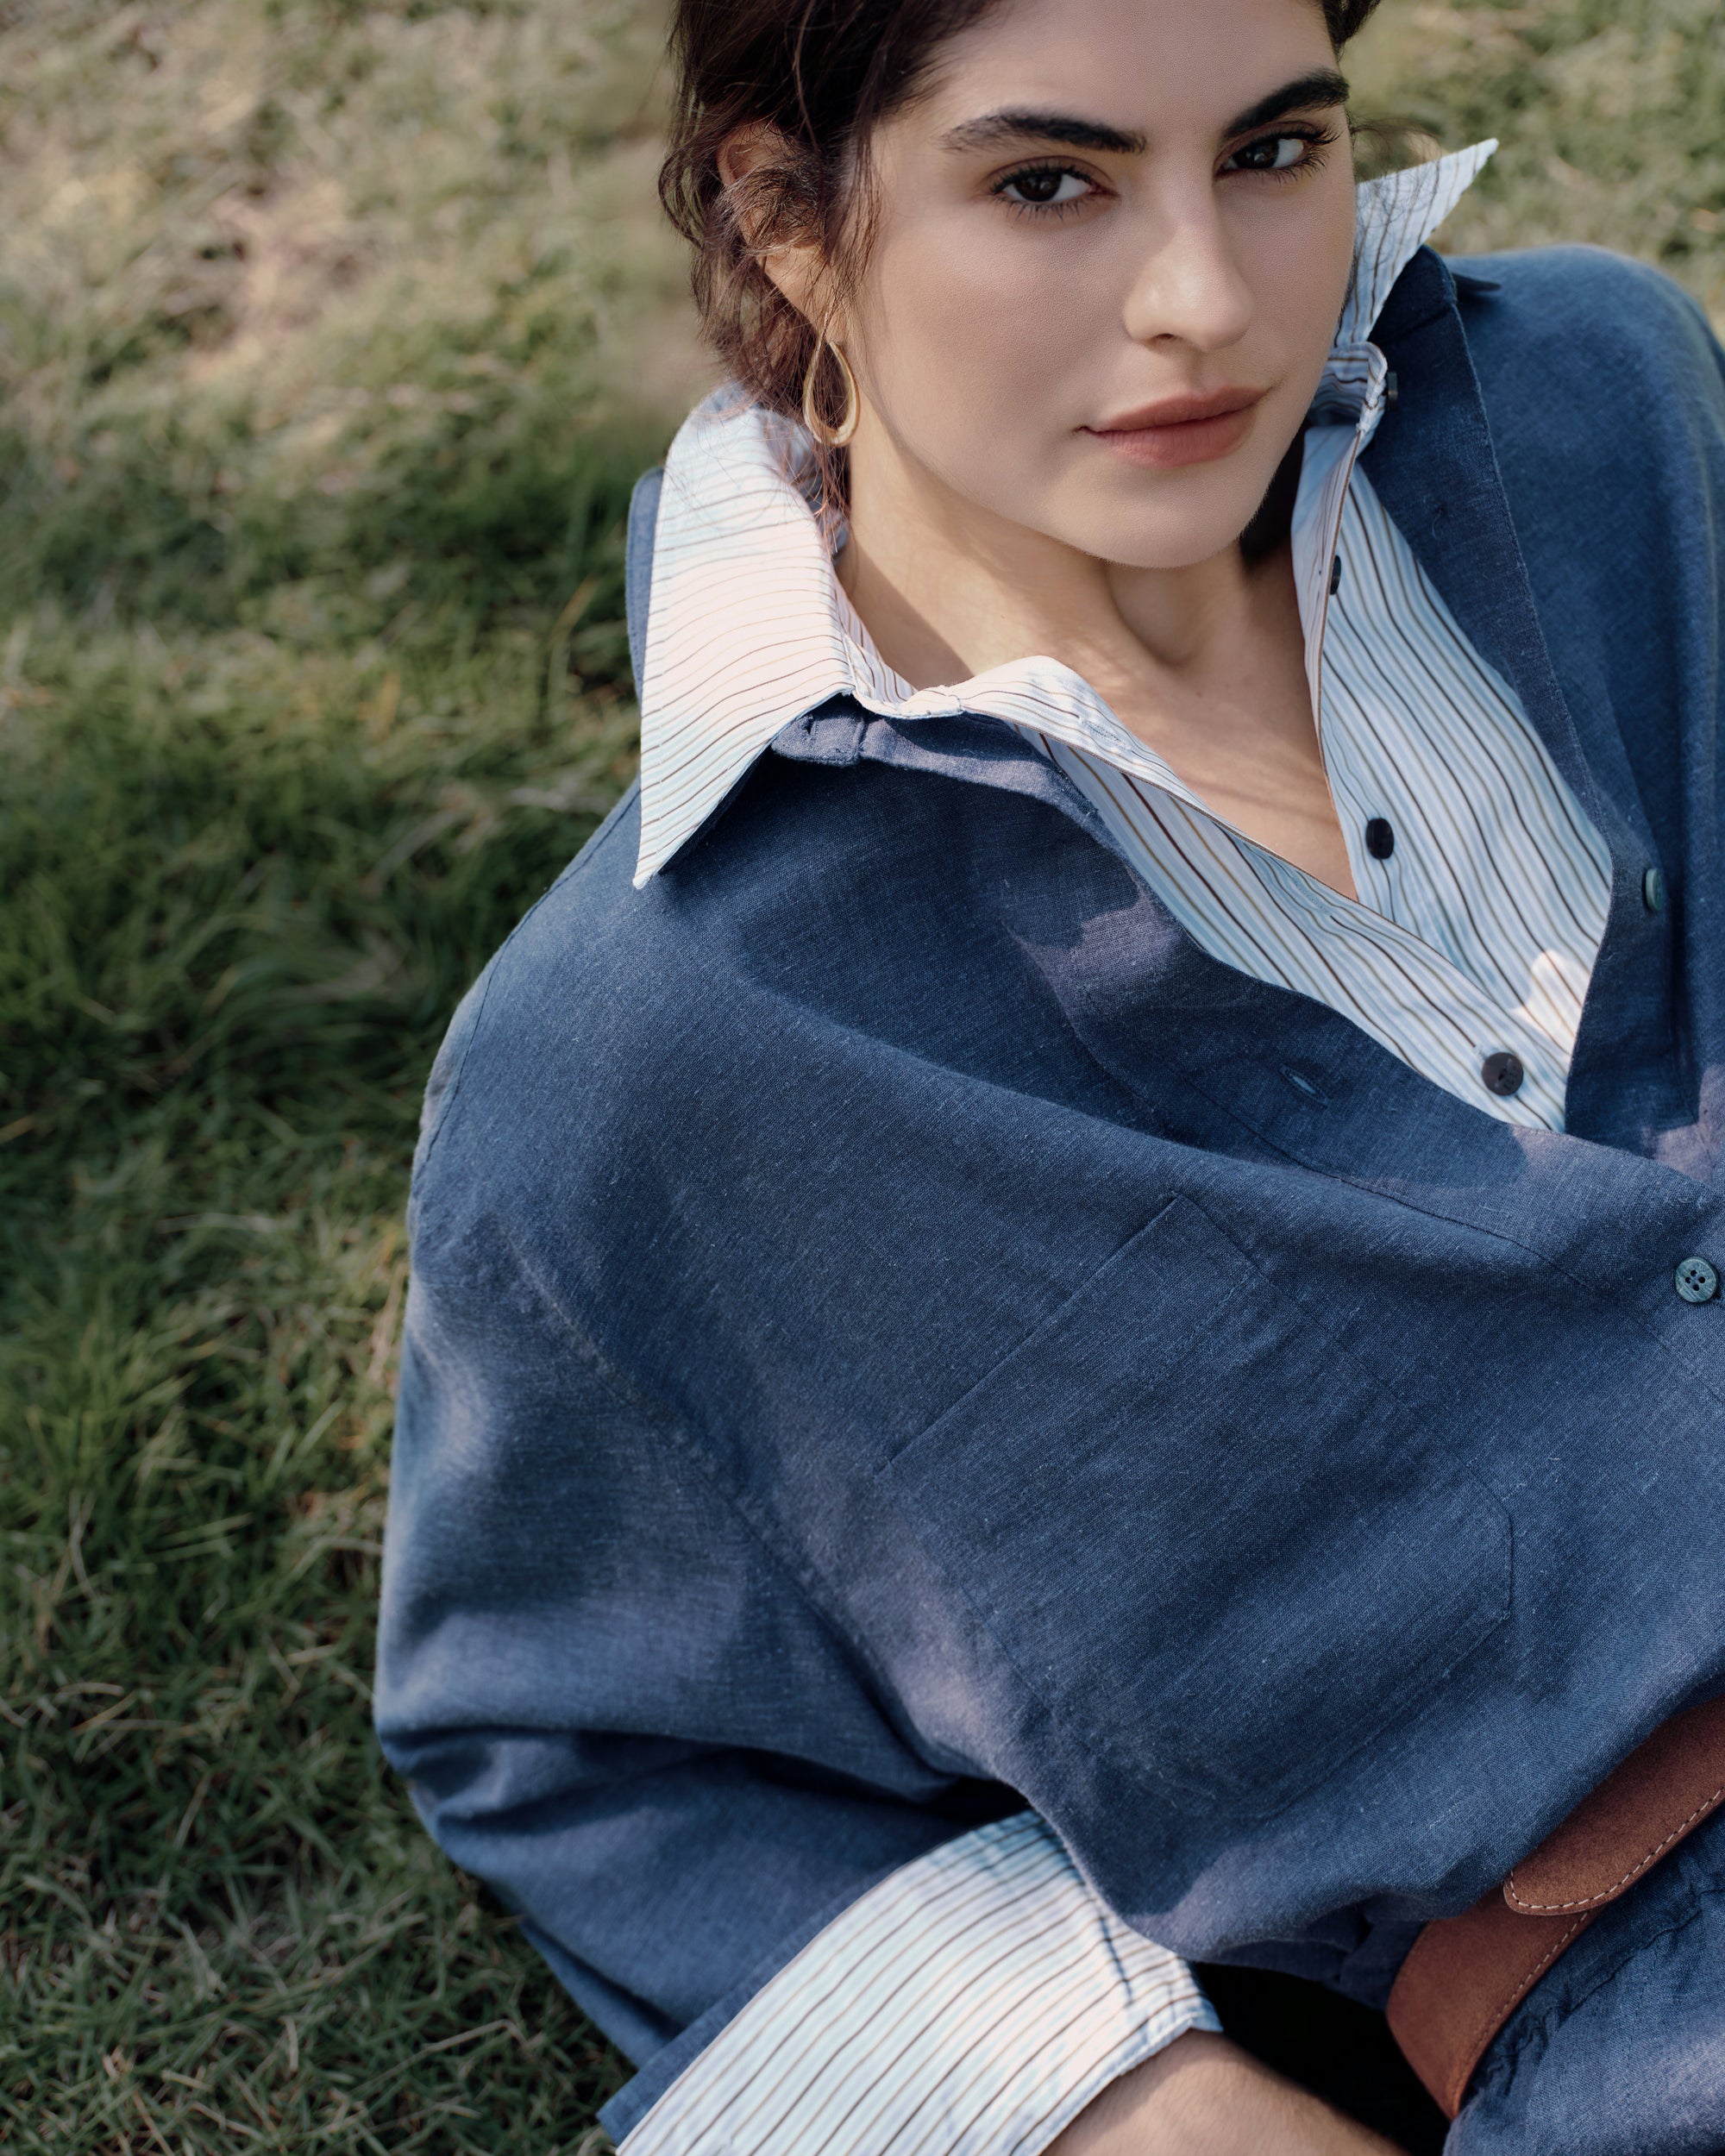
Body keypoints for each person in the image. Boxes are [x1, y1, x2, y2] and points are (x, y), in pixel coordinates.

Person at [373, 0, 1725, 2147]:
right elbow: (582, 1742)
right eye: (1048, 183)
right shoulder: (644, 1055)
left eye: (1273, 152)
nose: (1204, 298)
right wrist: (1139, 2100)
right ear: (784, 211)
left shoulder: (1599, 410)